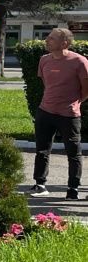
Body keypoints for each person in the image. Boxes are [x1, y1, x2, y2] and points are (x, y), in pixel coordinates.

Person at [31, 27, 88, 199]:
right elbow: (48, 85)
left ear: (65, 43)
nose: (47, 41)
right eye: (47, 38)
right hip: (45, 111)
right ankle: (40, 184)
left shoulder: (80, 62)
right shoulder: (44, 60)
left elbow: (86, 90)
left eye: (51, 38)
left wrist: (73, 103)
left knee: (73, 153)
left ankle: (73, 189)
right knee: (42, 150)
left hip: (68, 115)